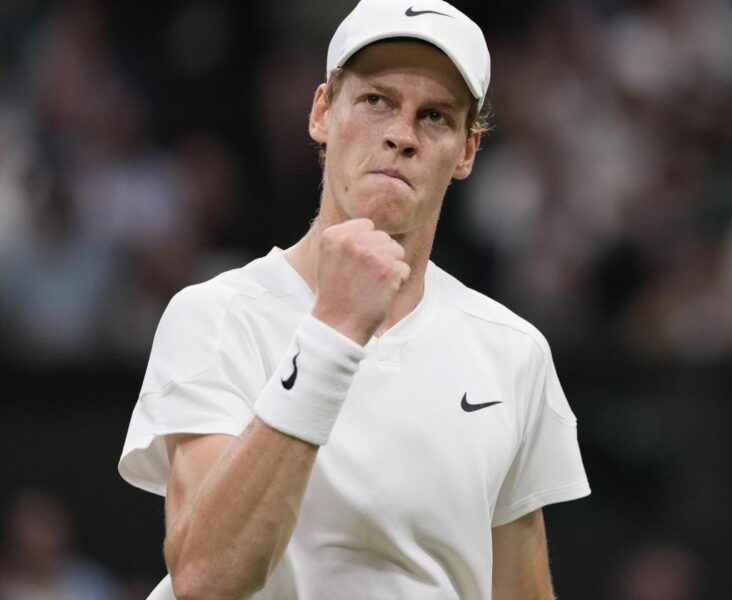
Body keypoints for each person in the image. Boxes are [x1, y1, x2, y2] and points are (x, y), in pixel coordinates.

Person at [117, 0, 591, 598]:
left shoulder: (513, 352)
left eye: (435, 117)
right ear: (322, 112)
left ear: (467, 151)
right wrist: (332, 331)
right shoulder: (215, 317)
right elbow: (207, 580)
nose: (402, 135)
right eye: (376, 101)